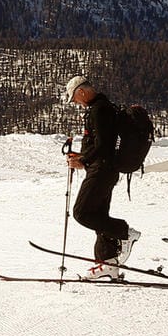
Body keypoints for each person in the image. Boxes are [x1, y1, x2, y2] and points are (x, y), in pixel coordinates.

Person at [65, 76, 139, 278]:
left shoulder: (100, 109)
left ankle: (124, 231)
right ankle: (108, 264)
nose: (76, 103)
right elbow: (100, 143)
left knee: (82, 212)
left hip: (102, 170)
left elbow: (104, 145)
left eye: (75, 98)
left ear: (82, 92)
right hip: (104, 169)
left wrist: (84, 160)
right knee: (99, 216)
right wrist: (82, 157)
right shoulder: (102, 107)